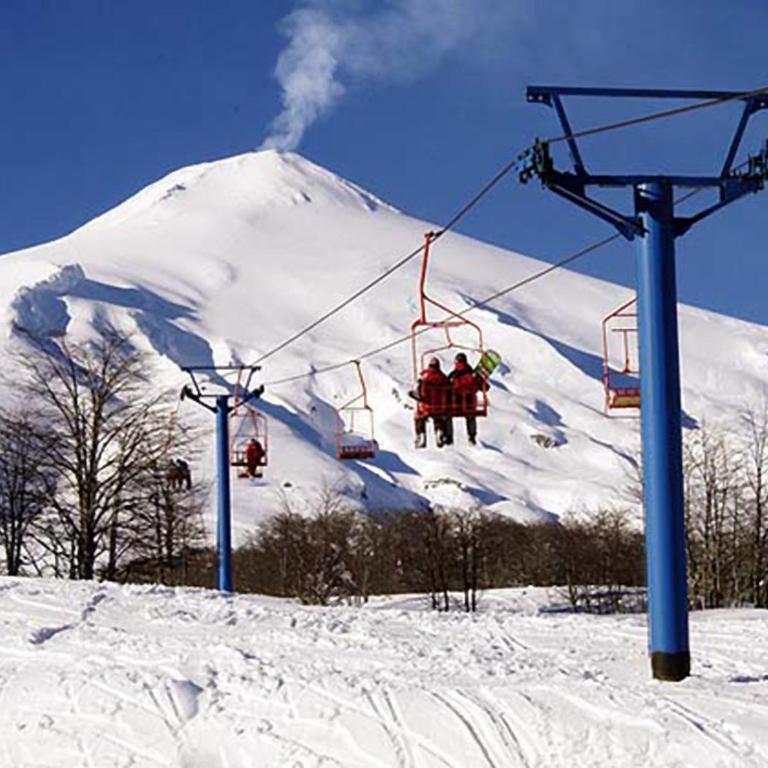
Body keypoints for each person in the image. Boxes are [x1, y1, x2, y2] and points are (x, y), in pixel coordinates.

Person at [411, 356, 451, 448]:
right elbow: (450, 391)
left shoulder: (424, 377)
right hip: (441, 407)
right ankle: (439, 430)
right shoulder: (443, 377)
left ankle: (421, 434)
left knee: (419, 417)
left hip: (427, 406)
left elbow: (419, 391)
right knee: (438, 418)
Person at [449, 352, 484, 445]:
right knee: (471, 416)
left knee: (446, 415)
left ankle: (448, 437)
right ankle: (471, 436)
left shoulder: (453, 375)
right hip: (470, 404)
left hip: (456, 405)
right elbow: (485, 387)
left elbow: (446, 387)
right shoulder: (473, 374)